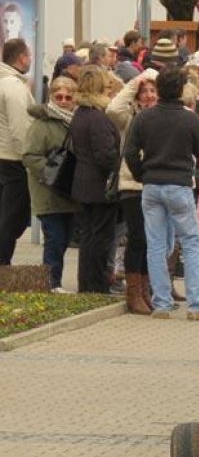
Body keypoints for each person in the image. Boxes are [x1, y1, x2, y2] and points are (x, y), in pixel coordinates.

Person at [124, 68, 199, 320]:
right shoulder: (189, 119)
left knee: (156, 245)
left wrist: (141, 175)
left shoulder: (144, 118)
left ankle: (162, 304)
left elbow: (130, 152)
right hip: (179, 184)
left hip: (151, 185)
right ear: (180, 90)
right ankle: (198, 305)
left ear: (159, 89)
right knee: (190, 243)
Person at [106, 69, 161, 313]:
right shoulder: (129, 117)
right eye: (144, 91)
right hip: (131, 184)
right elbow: (112, 109)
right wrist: (134, 82)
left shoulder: (163, 116)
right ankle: (133, 293)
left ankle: (146, 290)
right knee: (137, 238)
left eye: (153, 90)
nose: (148, 95)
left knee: (152, 240)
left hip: (155, 183)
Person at [22, 77, 79, 292]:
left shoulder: (75, 122)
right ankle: (51, 283)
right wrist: (53, 171)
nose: (63, 101)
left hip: (68, 191)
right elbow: (29, 156)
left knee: (64, 239)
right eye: (59, 97)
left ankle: (53, 280)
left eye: (68, 97)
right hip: (47, 190)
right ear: (51, 97)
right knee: (54, 239)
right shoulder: (42, 124)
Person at [69, 67, 120, 293]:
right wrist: (116, 166)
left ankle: (87, 284)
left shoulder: (80, 114)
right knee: (100, 238)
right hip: (99, 186)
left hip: (82, 183)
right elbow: (105, 155)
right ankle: (96, 285)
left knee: (89, 237)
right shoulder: (98, 117)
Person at [0, 39, 34, 264]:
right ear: (22, 58)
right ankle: (3, 264)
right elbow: (20, 128)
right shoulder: (13, 87)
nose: (30, 59)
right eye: (29, 55)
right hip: (12, 160)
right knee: (13, 218)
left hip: (2, 157)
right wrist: (29, 158)